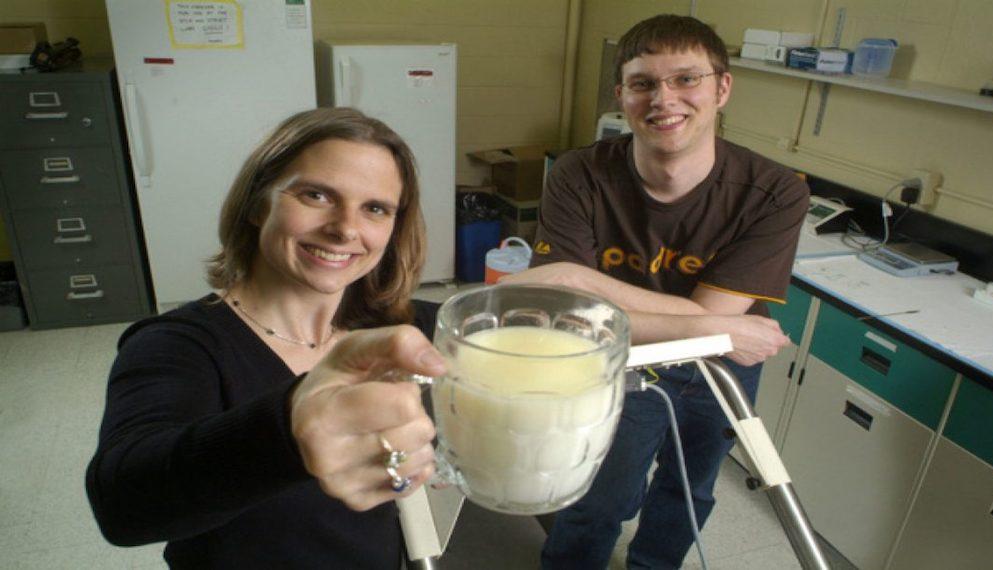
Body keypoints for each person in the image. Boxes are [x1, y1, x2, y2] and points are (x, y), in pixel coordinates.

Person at [502, 14, 809, 569]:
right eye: (644, 83)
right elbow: (568, 308)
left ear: (722, 87)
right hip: (627, 358)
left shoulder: (774, 191)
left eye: (686, 79)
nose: (664, 99)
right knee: (598, 496)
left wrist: (579, 279)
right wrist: (717, 325)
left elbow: (703, 317)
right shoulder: (579, 174)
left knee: (690, 489)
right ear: (622, 95)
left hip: (719, 366)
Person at [86, 107, 447, 569]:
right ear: (259, 203)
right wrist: (289, 429)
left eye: (375, 208)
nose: (345, 229)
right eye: (316, 195)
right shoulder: (179, 346)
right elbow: (122, 501)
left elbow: (489, 331)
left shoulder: (395, 329)